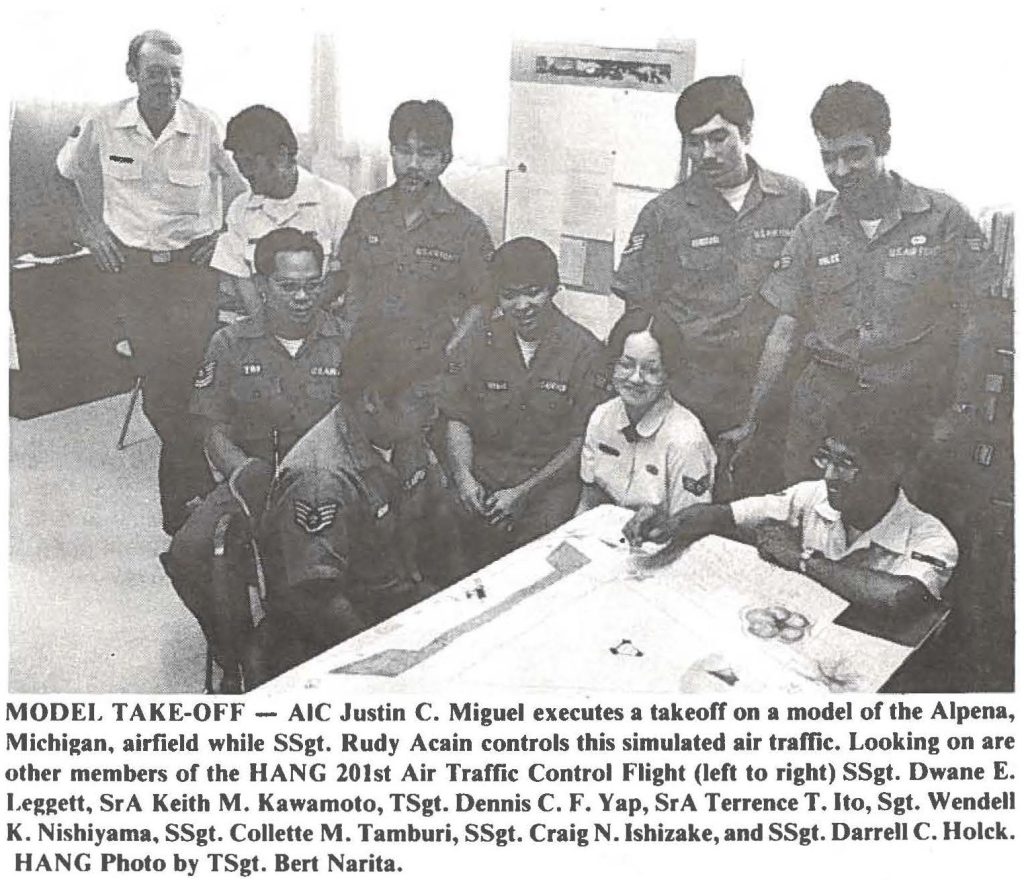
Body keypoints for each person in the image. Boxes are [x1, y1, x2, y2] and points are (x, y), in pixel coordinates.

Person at [721, 81, 992, 483]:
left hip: (907, 413)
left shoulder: (944, 219)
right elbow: (784, 330)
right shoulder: (811, 231)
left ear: (883, 144)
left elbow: (975, 321)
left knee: (895, 531)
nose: (840, 172)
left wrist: (963, 409)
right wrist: (752, 419)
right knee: (809, 523)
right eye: (828, 157)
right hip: (821, 413)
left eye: (855, 154)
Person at [56, 29, 244, 534]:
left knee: (183, 385)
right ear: (133, 73)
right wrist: (91, 231)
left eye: (176, 72)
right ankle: (204, 493)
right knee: (164, 393)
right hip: (133, 273)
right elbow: (65, 174)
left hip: (192, 273)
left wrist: (224, 234)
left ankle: (187, 510)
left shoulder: (206, 125)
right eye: (156, 71)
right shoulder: (103, 121)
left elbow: (247, 189)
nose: (168, 82)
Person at [162, 228, 348, 693]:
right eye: (289, 286)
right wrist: (242, 471)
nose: (303, 296)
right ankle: (233, 652)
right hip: (251, 480)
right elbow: (210, 425)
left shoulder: (347, 341)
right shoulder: (229, 343)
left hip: (327, 483)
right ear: (262, 284)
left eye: (313, 283)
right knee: (189, 553)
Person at [613, 75, 811, 491]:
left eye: (719, 138)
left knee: (758, 510)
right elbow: (638, 312)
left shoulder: (792, 199)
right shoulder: (664, 214)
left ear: (748, 132)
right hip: (693, 396)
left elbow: (803, 302)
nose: (707, 153)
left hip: (771, 392)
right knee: (687, 507)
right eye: (694, 141)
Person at [625, 399, 959, 612]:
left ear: (892, 469)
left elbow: (899, 597)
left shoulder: (930, 537)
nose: (831, 475)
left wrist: (801, 559)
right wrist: (671, 524)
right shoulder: (811, 496)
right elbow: (723, 514)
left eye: (847, 463)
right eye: (826, 458)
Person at [251, 340, 448, 686]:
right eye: (422, 400)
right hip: (332, 632)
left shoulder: (403, 433)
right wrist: (385, 666)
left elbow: (434, 508)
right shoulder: (321, 477)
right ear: (372, 400)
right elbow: (319, 601)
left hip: (391, 594)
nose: (434, 412)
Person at [442, 237, 606, 569]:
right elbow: (458, 417)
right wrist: (463, 478)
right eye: (509, 295)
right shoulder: (478, 341)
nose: (522, 305)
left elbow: (582, 441)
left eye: (533, 292)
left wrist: (523, 492)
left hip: (547, 486)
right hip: (485, 480)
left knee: (537, 556)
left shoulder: (584, 350)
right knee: (445, 539)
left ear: (554, 289)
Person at [337, 99, 494, 378]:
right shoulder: (367, 211)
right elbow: (351, 281)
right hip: (367, 364)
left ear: (445, 159)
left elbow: (483, 303)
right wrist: (350, 339)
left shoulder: (467, 228)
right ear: (391, 152)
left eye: (426, 154)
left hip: (426, 372)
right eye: (404, 151)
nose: (413, 165)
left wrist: (448, 354)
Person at [212, 105, 356, 317]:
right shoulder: (240, 210)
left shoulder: (336, 203)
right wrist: (270, 332)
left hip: (321, 324)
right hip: (264, 326)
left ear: (281, 156)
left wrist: (300, 321)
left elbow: (345, 274)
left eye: (250, 161)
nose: (244, 172)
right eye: (238, 162)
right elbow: (243, 281)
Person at [576, 308, 716, 515]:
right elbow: (588, 501)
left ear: (669, 372)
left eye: (651, 370)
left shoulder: (686, 439)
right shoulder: (601, 417)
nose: (635, 379)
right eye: (626, 365)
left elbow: (688, 525)